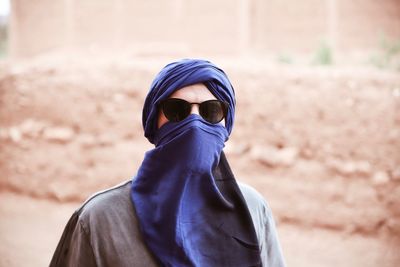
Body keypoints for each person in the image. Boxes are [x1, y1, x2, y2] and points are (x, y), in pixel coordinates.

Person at [50, 59, 286, 267]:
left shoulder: (253, 208)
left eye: (211, 111)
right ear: (155, 121)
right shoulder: (100, 218)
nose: (194, 122)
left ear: (225, 124)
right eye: (177, 110)